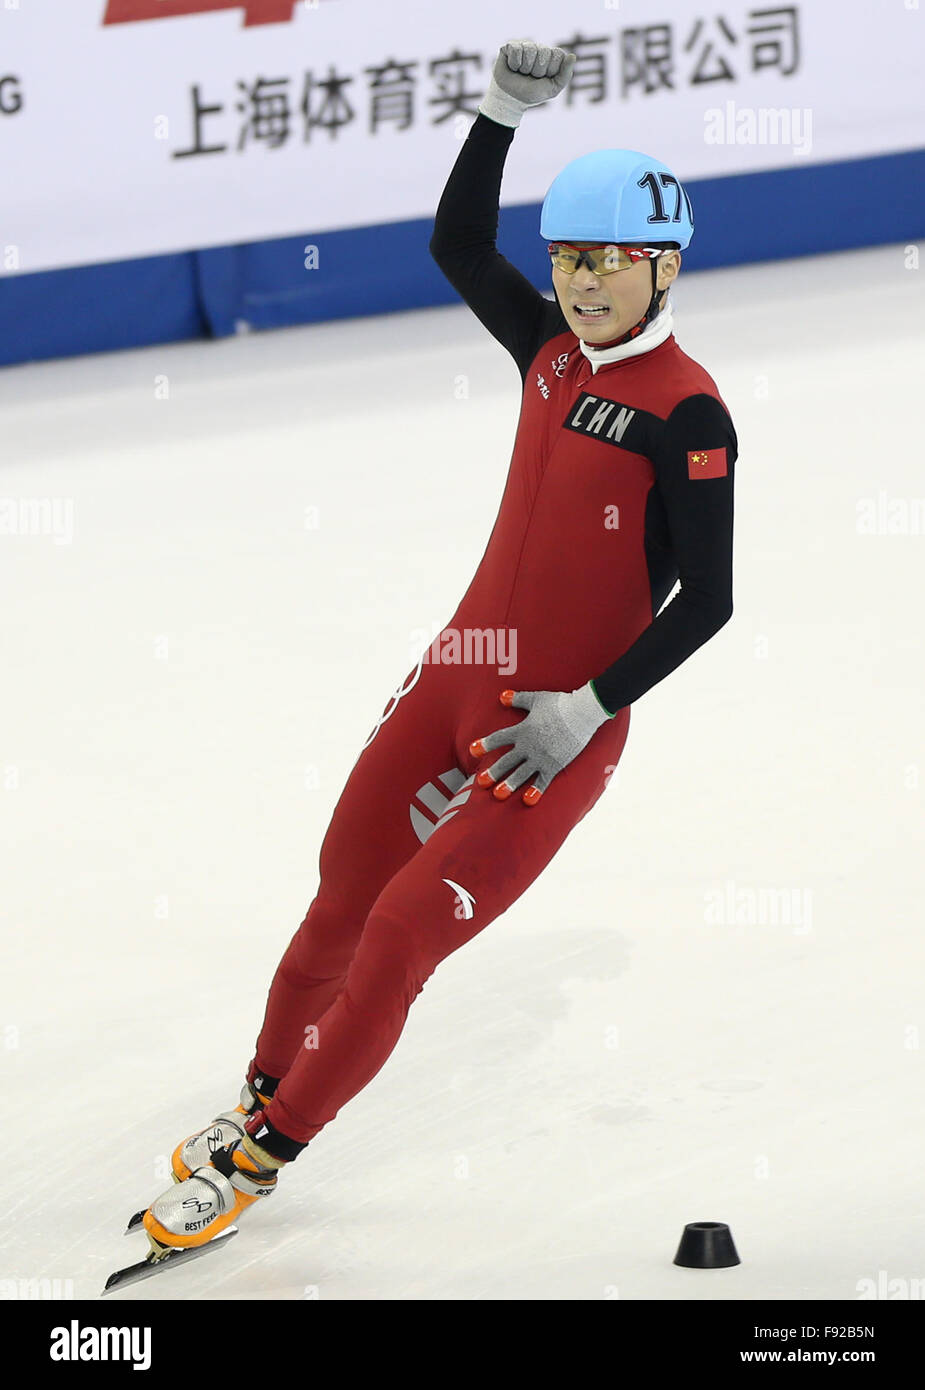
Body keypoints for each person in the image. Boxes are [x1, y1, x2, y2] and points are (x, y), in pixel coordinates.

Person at [140, 39, 737, 1258]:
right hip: (454, 671)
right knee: (341, 889)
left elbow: (712, 597)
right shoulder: (551, 356)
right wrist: (497, 115)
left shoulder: (689, 411)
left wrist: (588, 707)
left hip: (548, 728)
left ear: (662, 267)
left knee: (407, 932)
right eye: (567, 258)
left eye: (607, 263)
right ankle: (261, 1089)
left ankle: (265, 1156)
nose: (578, 283)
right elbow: (458, 247)